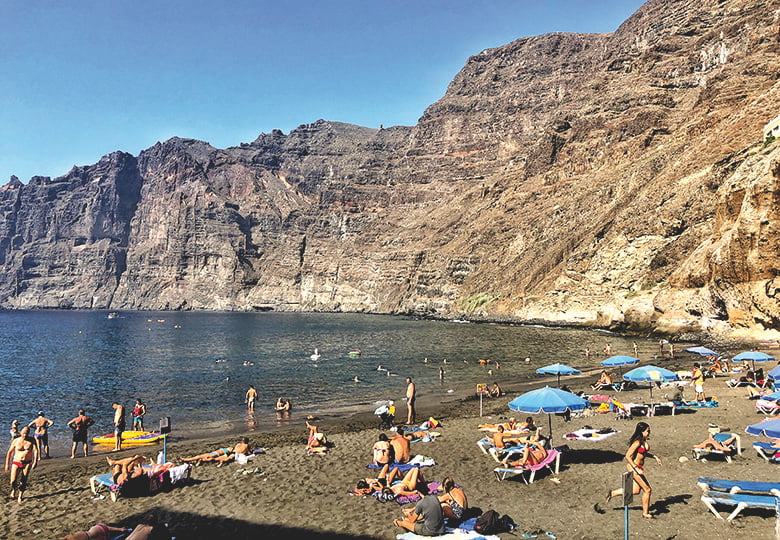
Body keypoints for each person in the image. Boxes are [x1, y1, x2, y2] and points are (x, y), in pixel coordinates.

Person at [606, 422, 661, 519]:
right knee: (647, 490)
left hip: (638, 467)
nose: (649, 433)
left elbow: (643, 453)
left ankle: (613, 493)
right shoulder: (637, 442)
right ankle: (645, 513)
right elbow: (627, 456)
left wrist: (654, 457)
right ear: (642, 431)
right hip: (634, 467)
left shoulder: (643, 440)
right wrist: (636, 469)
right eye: (648, 431)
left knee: (635, 491)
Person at [4, 425, 38, 502]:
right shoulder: (16, 441)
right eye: (24, 433)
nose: (25, 435)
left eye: (27, 433)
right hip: (16, 462)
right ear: (20, 433)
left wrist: (35, 461)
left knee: (24, 480)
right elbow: (9, 452)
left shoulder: (32, 440)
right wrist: (7, 464)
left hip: (27, 463)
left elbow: (36, 450)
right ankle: (14, 490)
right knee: (12, 481)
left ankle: (20, 495)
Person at [63, 523, 129, 540]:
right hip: (102, 530)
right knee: (102, 526)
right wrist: (120, 529)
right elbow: (107, 528)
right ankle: (121, 529)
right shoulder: (95, 529)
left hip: (106, 537)